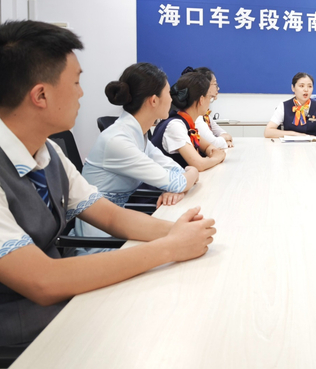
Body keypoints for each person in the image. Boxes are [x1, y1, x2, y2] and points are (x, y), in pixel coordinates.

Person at [0, 20, 216, 349]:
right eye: (75, 82)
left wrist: (180, 232)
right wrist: (170, 246)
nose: (81, 93)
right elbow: (42, 280)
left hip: (63, 303)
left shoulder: (49, 151)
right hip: (27, 327)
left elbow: (111, 216)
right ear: (41, 95)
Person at [73, 63, 201, 254]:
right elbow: (179, 181)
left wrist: (177, 183)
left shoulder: (137, 135)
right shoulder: (119, 141)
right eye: (168, 92)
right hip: (100, 242)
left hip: (120, 228)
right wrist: (192, 172)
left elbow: (176, 173)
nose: (172, 98)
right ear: (154, 100)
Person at [151, 72, 226, 171]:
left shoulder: (187, 123)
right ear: (201, 100)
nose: (209, 102)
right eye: (209, 98)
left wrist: (212, 152)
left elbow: (207, 146)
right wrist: (217, 157)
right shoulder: (175, 126)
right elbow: (199, 164)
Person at [264, 72, 316, 141]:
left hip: (312, 147)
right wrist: (296, 135)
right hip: (289, 147)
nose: (306, 90)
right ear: (293, 88)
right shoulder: (283, 106)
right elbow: (268, 132)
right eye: (301, 86)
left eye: (310, 86)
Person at [186, 67, 233, 150]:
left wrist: (224, 139)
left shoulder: (205, 114)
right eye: (215, 84)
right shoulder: (195, 116)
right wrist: (224, 140)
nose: (218, 88)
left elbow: (222, 133)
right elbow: (214, 143)